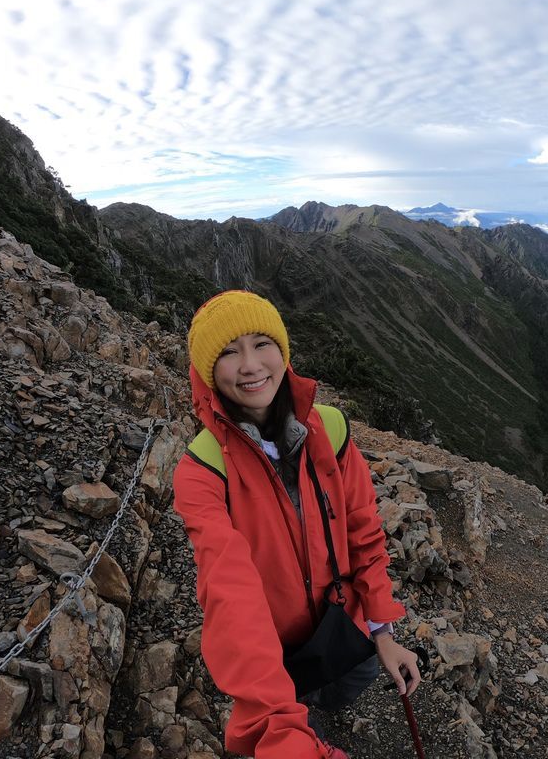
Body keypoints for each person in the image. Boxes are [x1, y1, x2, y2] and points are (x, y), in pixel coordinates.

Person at [173, 290, 422, 758]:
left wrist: (383, 632)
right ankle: (309, 725)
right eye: (228, 352)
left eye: (262, 342)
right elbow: (229, 594)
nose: (249, 365)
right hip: (274, 652)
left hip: (345, 625)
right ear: (208, 371)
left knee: (352, 682)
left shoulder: (330, 429)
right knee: (299, 709)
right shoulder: (203, 470)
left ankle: (325, 716)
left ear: (283, 350)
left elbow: (362, 530)